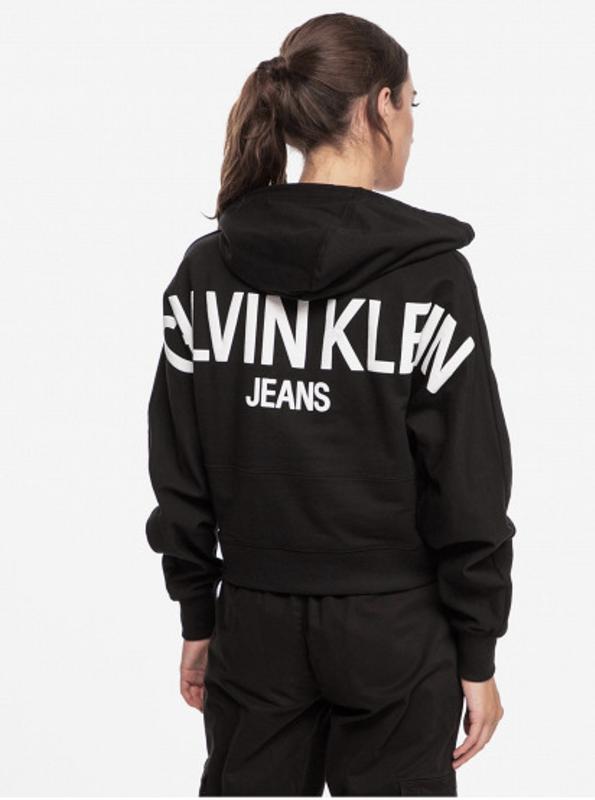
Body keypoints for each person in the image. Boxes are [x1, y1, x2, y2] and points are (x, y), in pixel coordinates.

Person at [145, 11, 516, 797]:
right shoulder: (429, 282)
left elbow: (178, 465)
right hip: (395, 633)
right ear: (379, 105)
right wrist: (477, 650)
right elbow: (468, 480)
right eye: (410, 103)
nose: (411, 125)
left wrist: (199, 613)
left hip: (254, 623)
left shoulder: (207, 274)